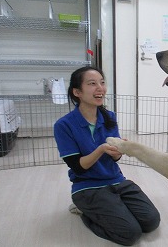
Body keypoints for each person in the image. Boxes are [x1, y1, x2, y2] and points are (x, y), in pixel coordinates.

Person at [54, 66, 160, 246]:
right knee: (130, 234)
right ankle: (85, 212)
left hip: (117, 180)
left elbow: (115, 158)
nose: (100, 88)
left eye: (102, 83)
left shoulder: (109, 117)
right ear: (77, 92)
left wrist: (120, 150)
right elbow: (78, 167)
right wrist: (101, 149)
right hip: (87, 187)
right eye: (92, 84)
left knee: (151, 221)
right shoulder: (64, 125)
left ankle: (113, 206)